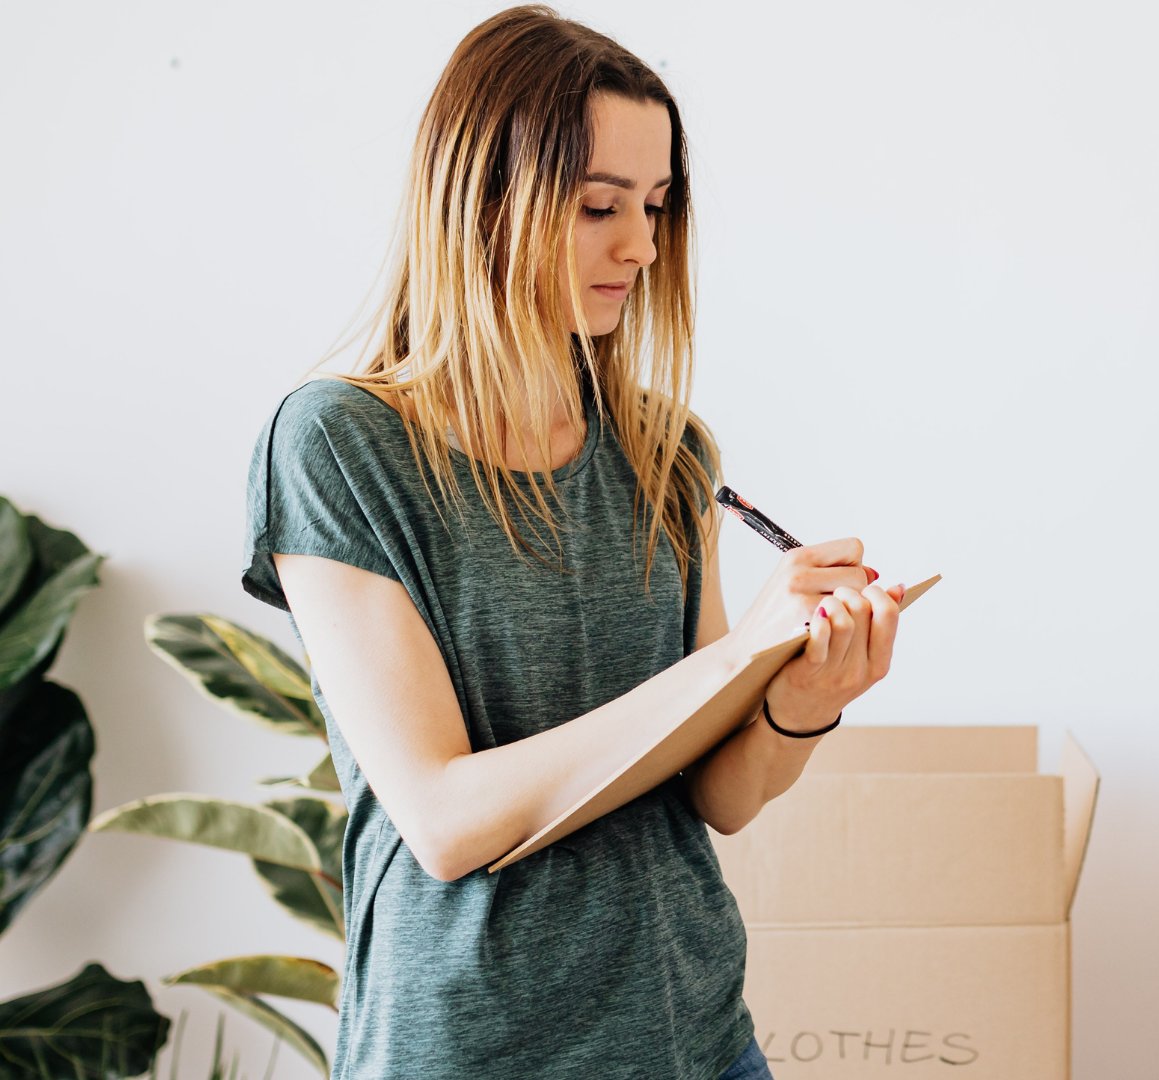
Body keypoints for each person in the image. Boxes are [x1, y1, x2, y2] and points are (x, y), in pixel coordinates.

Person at [239, 7, 905, 1078]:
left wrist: (798, 703)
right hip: (473, 1052)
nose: (641, 244)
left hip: (698, 1038)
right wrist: (737, 659)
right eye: (600, 206)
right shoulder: (339, 444)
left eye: (654, 205)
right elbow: (446, 821)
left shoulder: (667, 452)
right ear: (481, 201)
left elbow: (719, 800)